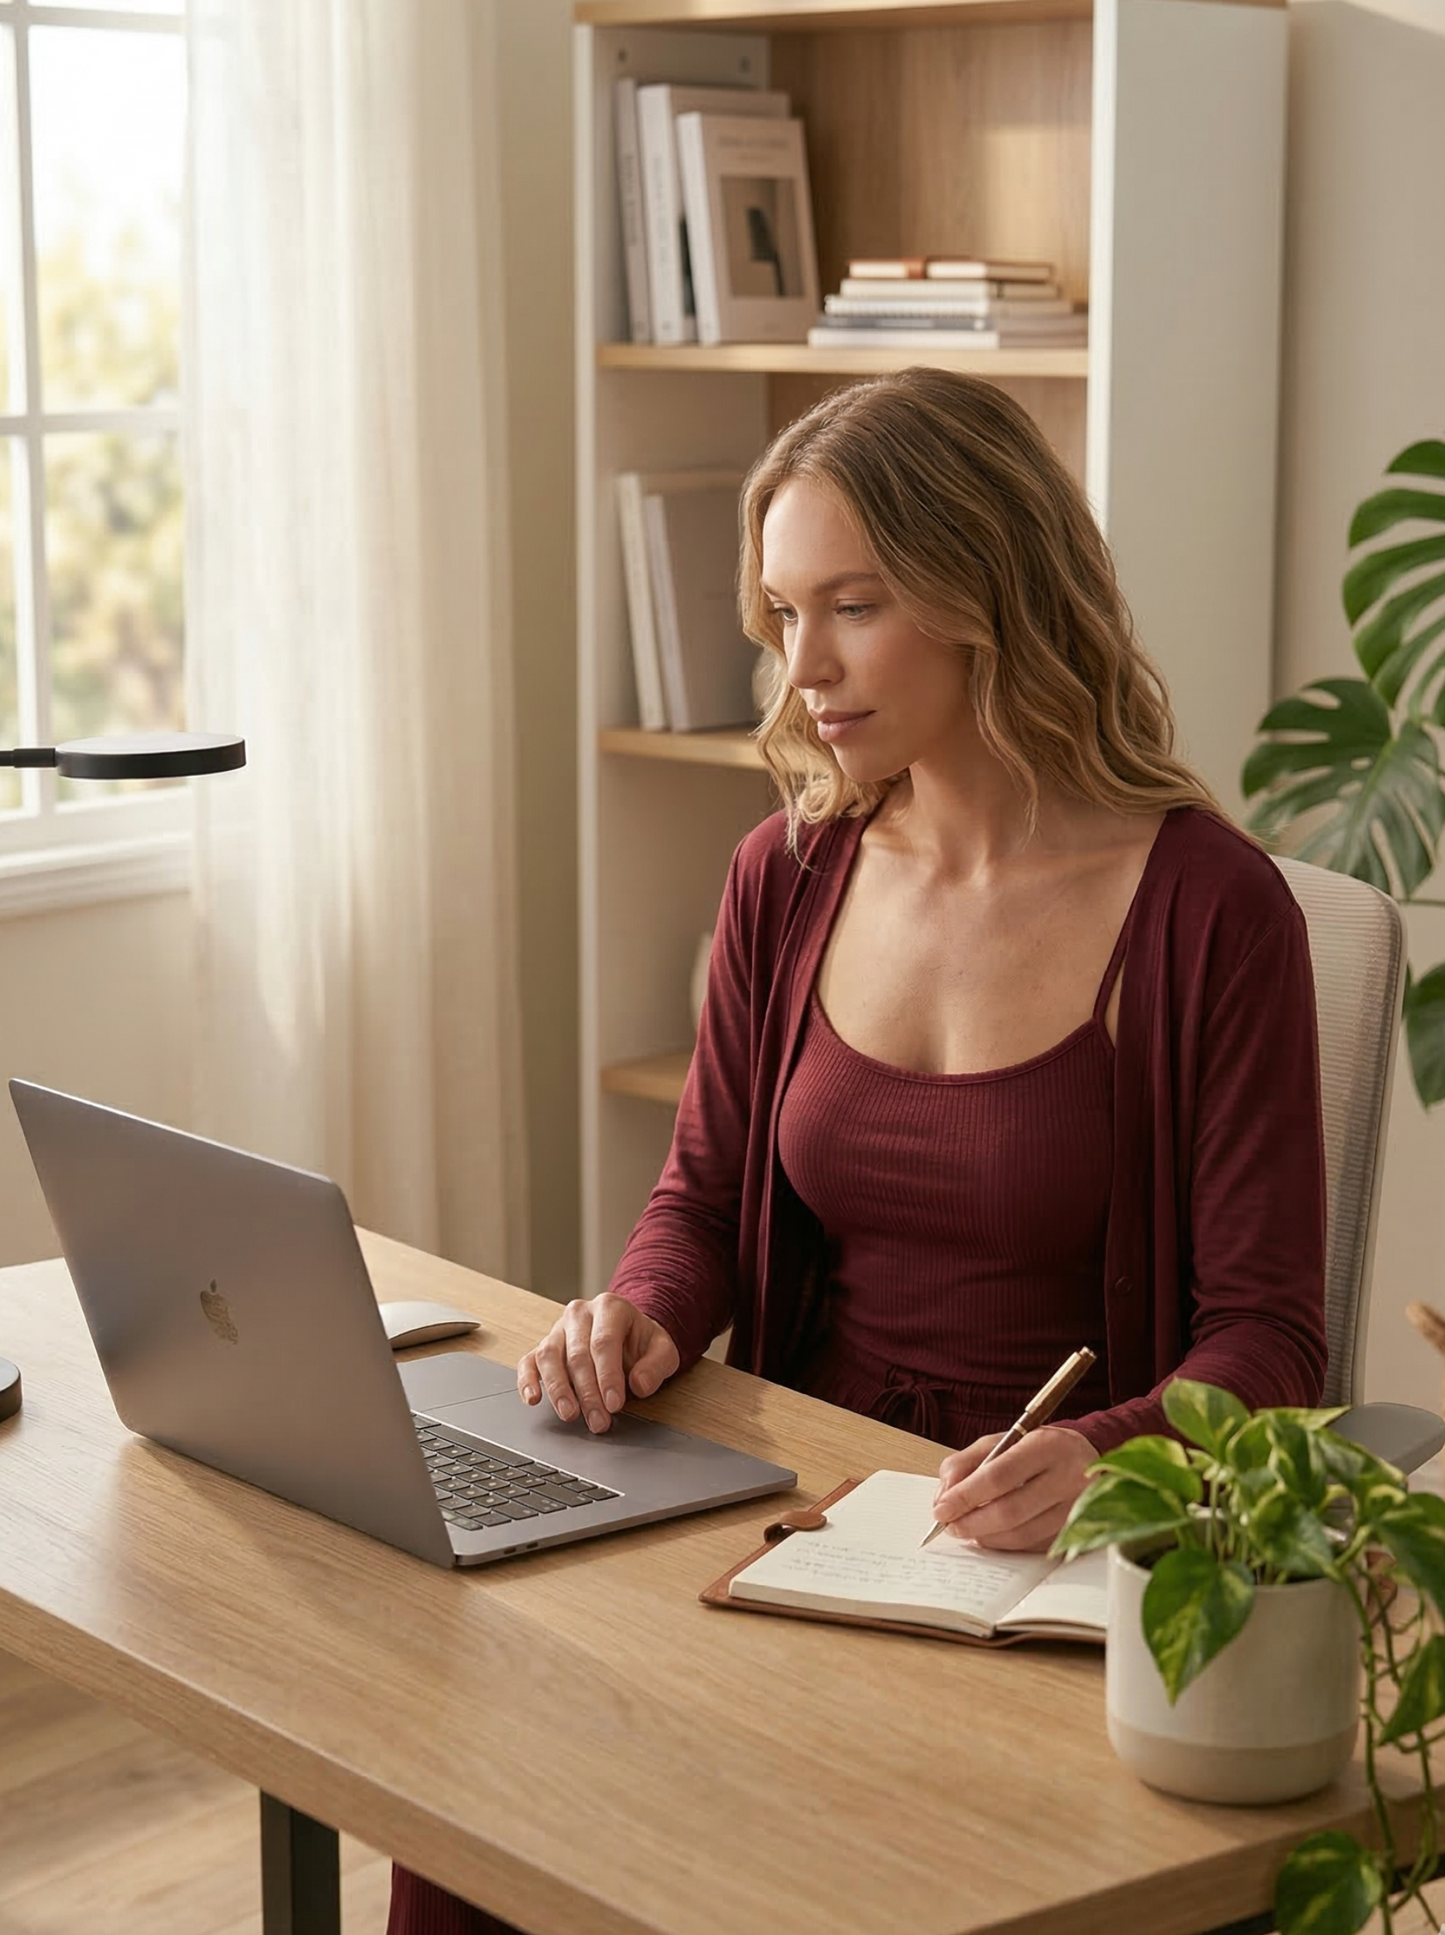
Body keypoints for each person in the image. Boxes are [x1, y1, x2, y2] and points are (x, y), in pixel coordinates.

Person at [388, 368, 1327, 1934]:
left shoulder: (1211, 913)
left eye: (854, 605)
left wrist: (1100, 1457)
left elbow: (1273, 1337)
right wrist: (644, 1311)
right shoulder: (789, 871)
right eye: (780, 613)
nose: (804, 666)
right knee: (477, 1785)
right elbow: (699, 1195)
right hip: (794, 1507)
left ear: (986, 591)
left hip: (1037, 1565)